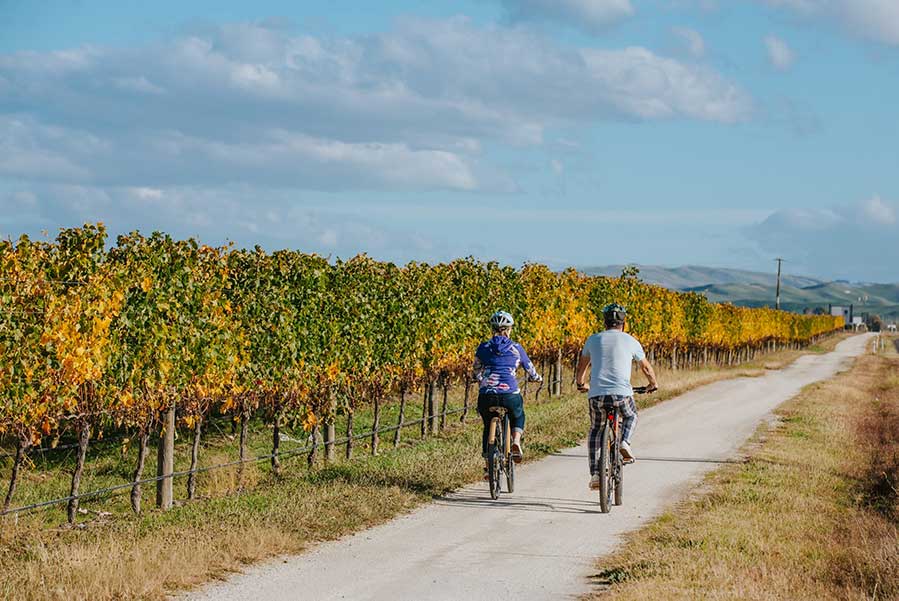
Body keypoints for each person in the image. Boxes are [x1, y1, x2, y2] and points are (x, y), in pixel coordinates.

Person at [575, 303, 657, 490]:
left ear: (605, 322)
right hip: (622, 394)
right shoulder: (631, 341)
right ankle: (625, 443)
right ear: (623, 322)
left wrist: (581, 383)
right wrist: (653, 384)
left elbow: (582, 366)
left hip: (597, 395)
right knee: (631, 416)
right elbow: (645, 367)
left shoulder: (593, 339)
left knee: (596, 429)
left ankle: (596, 474)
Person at [473, 311, 542, 474]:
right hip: (509, 392)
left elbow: (476, 368)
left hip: (487, 394)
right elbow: (529, 368)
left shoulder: (483, 347)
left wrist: (479, 378)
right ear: (509, 329)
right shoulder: (516, 348)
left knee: (486, 423)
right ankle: (516, 441)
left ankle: (488, 464)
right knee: (518, 415)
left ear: (493, 329)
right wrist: (537, 378)